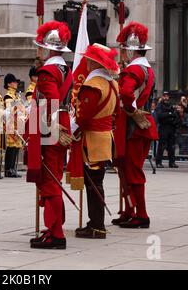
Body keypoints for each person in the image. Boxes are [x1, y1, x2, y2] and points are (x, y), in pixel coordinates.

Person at [27, 21, 73, 249]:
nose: (38, 51)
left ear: (48, 48)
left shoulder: (47, 72)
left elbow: (52, 103)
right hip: (60, 123)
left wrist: (51, 128)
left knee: (50, 181)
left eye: (40, 47)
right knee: (54, 174)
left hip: (49, 127)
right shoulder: (66, 68)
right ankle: (53, 229)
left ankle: (56, 233)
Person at [113, 21, 159, 229]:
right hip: (143, 125)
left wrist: (131, 110)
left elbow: (125, 93)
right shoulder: (147, 69)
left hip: (133, 126)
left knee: (132, 171)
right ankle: (130, 210)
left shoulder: (133, 70)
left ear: (129, 50)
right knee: (127, 170)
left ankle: (141, 214)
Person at [72, 44, 120, 239]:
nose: (86, 62)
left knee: (93, 183)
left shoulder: (94, 85)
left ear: (93, 62)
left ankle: (97, 225)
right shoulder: (112, 84)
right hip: (105, 137)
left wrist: (73, 128)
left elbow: (84, 116)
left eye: (88, 60)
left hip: (92, 139)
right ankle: (95, 222)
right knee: (96, 181)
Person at [3, 73, 24, 178]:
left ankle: (12, 168)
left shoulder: (16, 95)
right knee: (11, 147)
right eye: (14, 82)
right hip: (11, 124)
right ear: (9, 84)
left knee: (16, 147)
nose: (16, 84)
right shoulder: (8, 96)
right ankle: (8, 169)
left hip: (18, 123)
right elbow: (9, 110)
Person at [155, 91, 179, 168]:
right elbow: (160, 115)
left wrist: (170, 115)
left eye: (167, 96)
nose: (166, 97)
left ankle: (172, 162)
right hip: (163, 127)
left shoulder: (171, 105)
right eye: (164, 96)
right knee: (161, 146)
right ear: (162, 97)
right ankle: (158, 162)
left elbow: (175, 115)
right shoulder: (159, 105)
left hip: (171, 127)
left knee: (171, 146)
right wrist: (169, 114)